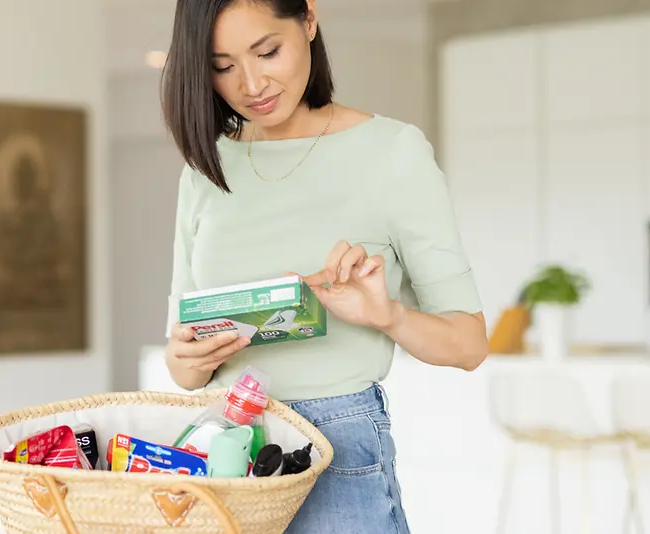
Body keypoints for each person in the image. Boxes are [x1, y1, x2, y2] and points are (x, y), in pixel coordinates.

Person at [159, 0, 489, 531]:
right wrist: (190, 357)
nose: (251, 83)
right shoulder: (205, 169)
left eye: (267, 51)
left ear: (308, 19)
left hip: (336, 443)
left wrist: (389, 316)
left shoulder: (391, 153)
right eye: (222, 66)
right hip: (225, 450)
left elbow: (470, 344)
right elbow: (184, 367)